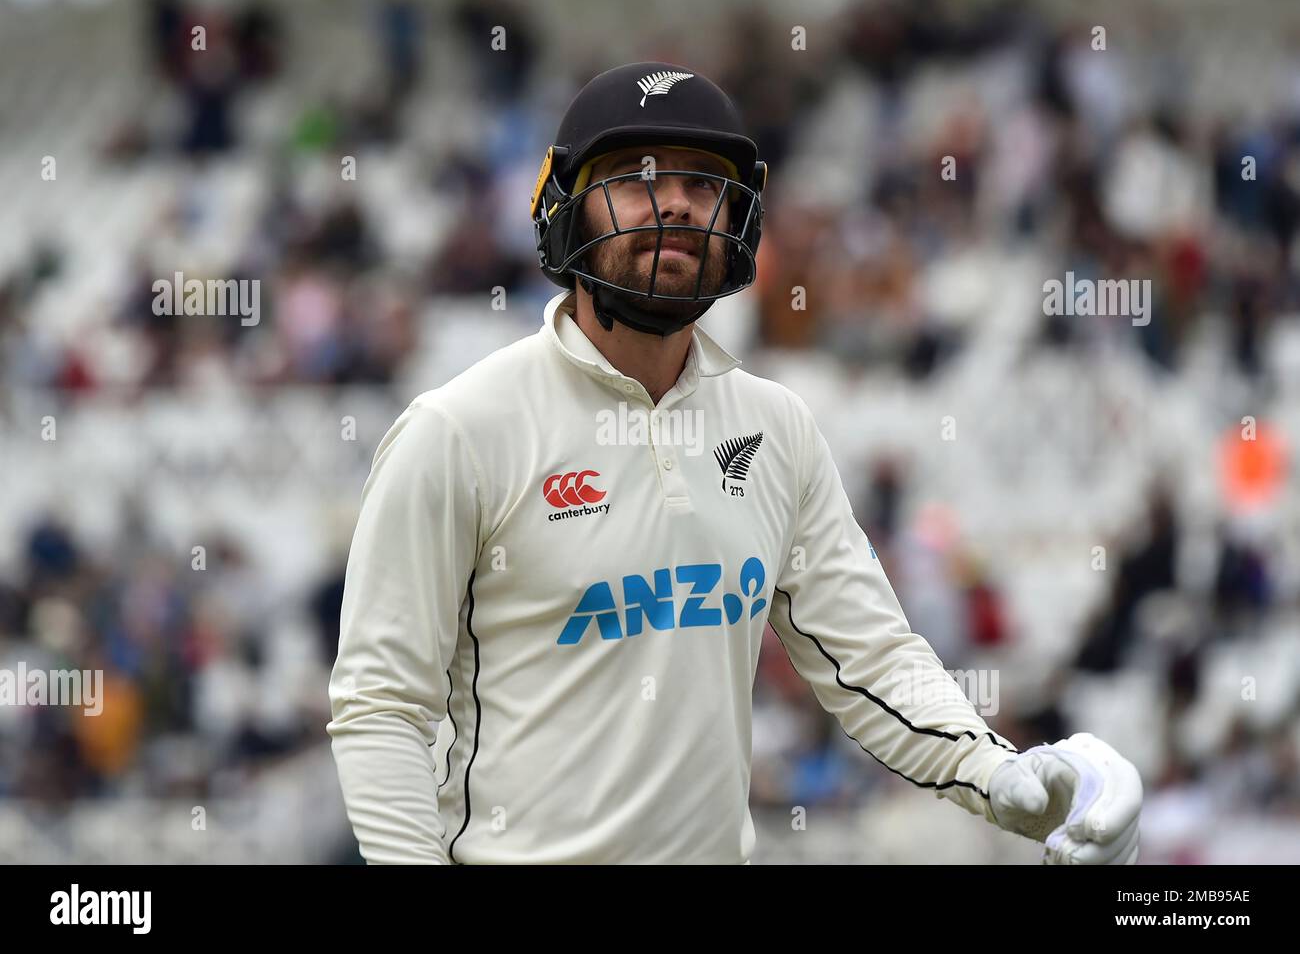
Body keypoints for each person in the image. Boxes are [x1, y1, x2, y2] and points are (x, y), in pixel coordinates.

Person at [326, 62, 1142, 864]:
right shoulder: (458, 431)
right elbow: (381, 708)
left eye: (703, 182)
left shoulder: (774, 428)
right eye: (641, 176)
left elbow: (870, 657)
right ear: (565, 209)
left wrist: (997, 771)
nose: (678, 201)